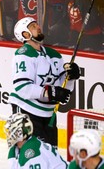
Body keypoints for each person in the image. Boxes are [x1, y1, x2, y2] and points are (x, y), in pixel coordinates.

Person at [8, 16, 80, 147]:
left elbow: (63, 89)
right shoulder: (23, 54)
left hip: (48, 114)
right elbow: (22, 87)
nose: (38, 27)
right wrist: (51, 92)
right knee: (30, 155)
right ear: (25, 34)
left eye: (37, 25)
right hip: (26, 111)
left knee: (51, 155)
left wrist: (71, 77)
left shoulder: (54, 55)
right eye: (33, 26)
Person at [4, 112, 68, 168]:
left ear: (19, 133)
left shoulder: (31, 152)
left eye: (11, 130)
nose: (9, 134)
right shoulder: (18, 148)